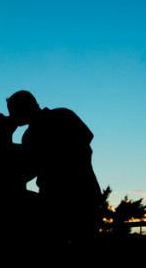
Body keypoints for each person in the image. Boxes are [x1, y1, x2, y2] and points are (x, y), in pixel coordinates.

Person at [6, 90, 102, 234]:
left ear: (26, 107)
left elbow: (84, 141)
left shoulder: (62, 115)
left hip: (81, 194)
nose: (11, 115)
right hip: (53, 200)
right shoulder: (28, 136)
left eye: (13, 110)